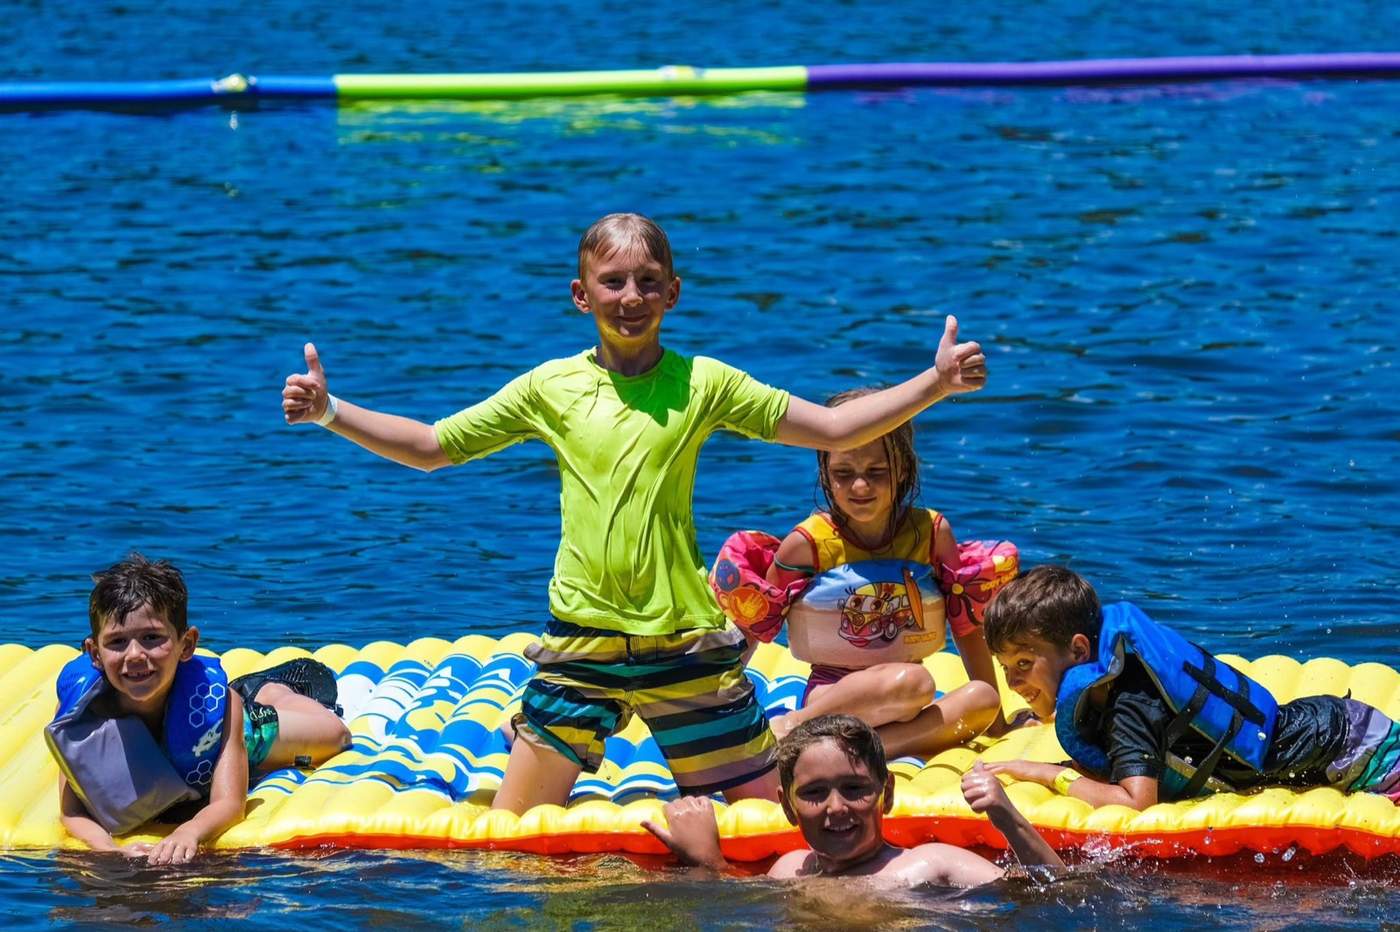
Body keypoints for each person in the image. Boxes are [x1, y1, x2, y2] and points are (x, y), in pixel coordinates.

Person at [279, 212, 989, 813]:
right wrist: (330, 413)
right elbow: (432, 446)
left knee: (767, 823)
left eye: (648, 282)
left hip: (684, 646)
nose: (631, 296)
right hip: (583, 649)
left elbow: (834, 430)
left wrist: (935, 382)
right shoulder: (549, 388)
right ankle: (533, 736)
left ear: (673, 293)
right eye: (612, 282)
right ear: (581, 295)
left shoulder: (703, 384)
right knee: (512, 842)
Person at [712, 386, 1012, 759]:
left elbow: (966, 626)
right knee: (915, 681)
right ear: (824, 470)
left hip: (907, 704)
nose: (859, 486)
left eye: (876, 471)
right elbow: (754, 626)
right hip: (829, 697)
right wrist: (713, 714)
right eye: (843, 473)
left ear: (902, 468)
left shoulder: (931, 535)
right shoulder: (806, 544)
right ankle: (796, 727)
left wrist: (997, 725)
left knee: (983, 699)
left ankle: (865, 750)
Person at [981, 565, 1400, 809]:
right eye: (1004, 667)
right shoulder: (1119, 680)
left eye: (1023, 663)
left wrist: (1044, 773)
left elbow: (1137, 801)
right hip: (1339, 728)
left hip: (1361, 756)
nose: (1013, 681)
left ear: (1077, 650)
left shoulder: (1128, 705)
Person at [49, 554, 350, 863]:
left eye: (152, 638)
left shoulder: (222, 708)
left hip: (232, 733)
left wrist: (188, 832)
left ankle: (272, 690)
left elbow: (230, 803)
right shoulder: (81, 710)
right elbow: (72, 812)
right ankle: (256, 688)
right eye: (117, 642)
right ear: (94, 653)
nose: (135, 655)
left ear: (187, 644)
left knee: (336, 735)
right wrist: (109, 849)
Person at [641, 714, 1064, 885]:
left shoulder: (931, 863)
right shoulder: (790, 871)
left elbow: (1055, 895)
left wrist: (1007, 818)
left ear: (887, 793)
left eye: (855, 788)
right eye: (813, 793)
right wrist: (707, 861)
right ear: (787, 806)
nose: (836, 808)